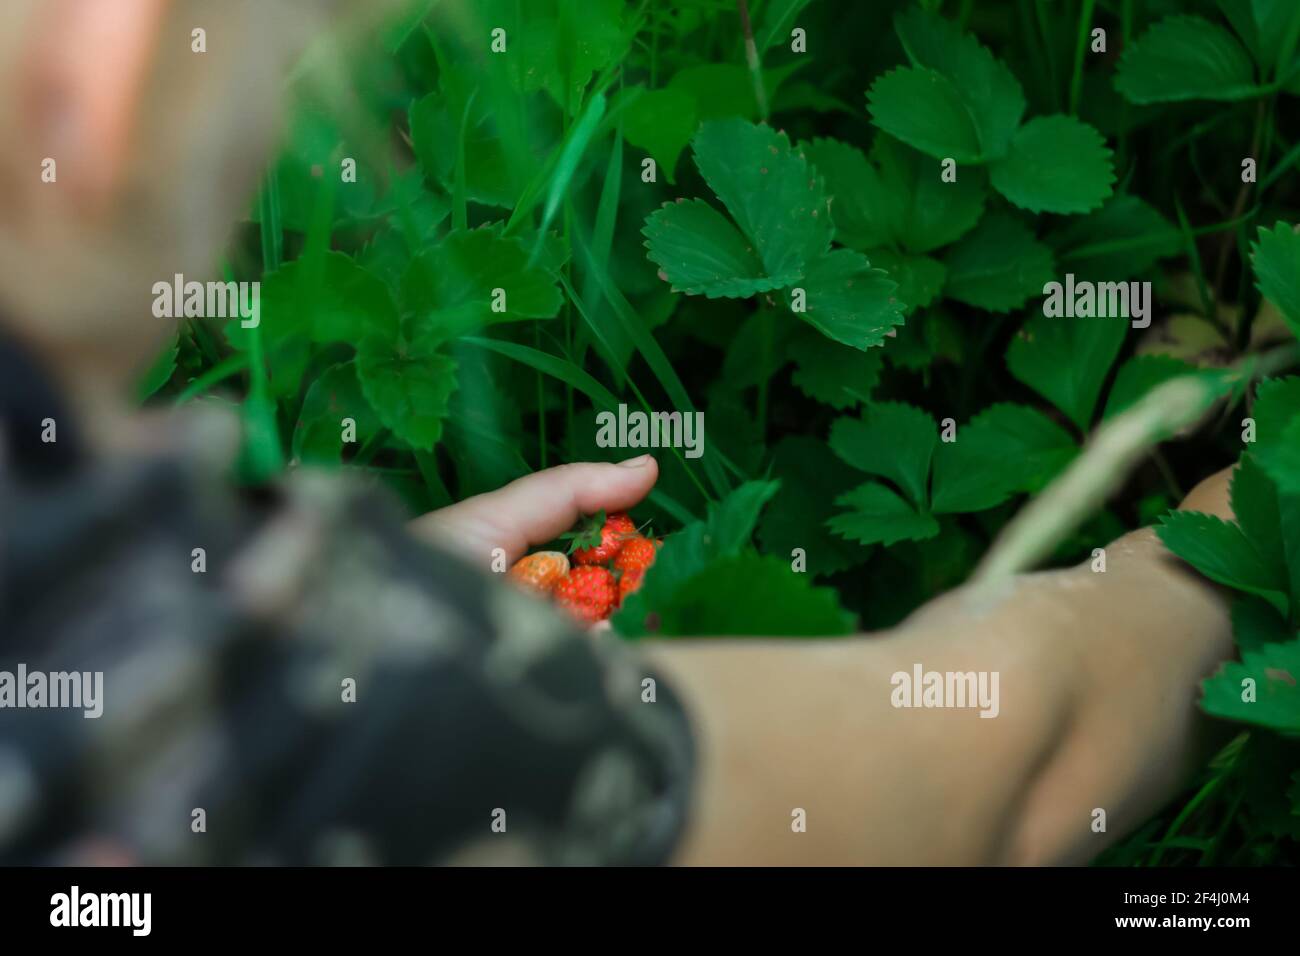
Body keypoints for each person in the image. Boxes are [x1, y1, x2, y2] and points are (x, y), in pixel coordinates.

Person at [0, 0, 1239, 866]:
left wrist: (356, 619)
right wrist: (1231, 546)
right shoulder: (232, 718)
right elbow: (1007, 780)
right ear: (105, 64)